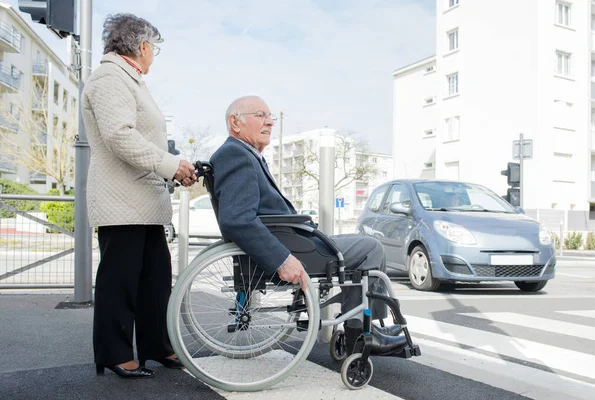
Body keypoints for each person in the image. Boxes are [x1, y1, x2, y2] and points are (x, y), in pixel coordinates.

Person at [210, 95, 387, 346]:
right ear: (235, 122)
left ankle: (357, 328)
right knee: (371, 247)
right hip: (291, 248)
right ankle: (363, 332)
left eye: (270, 117)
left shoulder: (243, 154)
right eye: (260, 115)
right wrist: (281, 259)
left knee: (359, 247)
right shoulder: (236, 154)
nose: (270, 122)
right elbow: (237, 219)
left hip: (293, 240)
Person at [82, 14, 196, 379]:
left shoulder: (128, 79)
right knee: (121, 281)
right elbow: (119, 136)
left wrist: (171, 166)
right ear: (142, 46)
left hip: (142, 201)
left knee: (154, 279)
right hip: (121, 200)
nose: (154, 56)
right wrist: (170, 164)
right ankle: (114, 353)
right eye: (154, 48)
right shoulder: (109, 77)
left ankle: (156, 345)